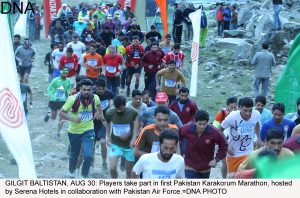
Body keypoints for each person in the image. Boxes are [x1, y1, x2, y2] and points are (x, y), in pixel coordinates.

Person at [59, 79, 105, 178]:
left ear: (92, 90)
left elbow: (99, 107)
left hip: (88, 131)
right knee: (74, 155)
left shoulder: (95, 98)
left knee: (88, 156)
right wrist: (73, 119)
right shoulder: (72, 99)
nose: (86, 92)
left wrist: (99, 115)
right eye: (84, 89)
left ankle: (83, 177)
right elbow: (61, 113)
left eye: (89, 90)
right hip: (74, 132)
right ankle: (71, 172)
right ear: (80, 88)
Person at [179, 110, 228, 178]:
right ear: (195, 122)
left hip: (205, 168)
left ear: (208, 122)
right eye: (200, 124)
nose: (202, 126)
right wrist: (181, 153)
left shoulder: (214, 132)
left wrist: (216, 159)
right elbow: (177, 140)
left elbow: (224, 145)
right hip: (189, 166)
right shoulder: (186, 129)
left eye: (204, 124)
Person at [220, 97, 262, 175]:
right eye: (245, 110)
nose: (248, 113)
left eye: (250, 110)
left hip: (248, 152)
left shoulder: (256, 114)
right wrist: (227, 144)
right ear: (239, 108)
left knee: (248, 178)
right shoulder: (232, 117)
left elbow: (257, 124)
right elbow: (219, 130)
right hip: (234, 153)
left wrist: (259, 138)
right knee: (234, 178)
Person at [105, 95, 140, 178]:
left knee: (128, 171)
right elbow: (107, 123)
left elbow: (138, 125)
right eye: (116, 108)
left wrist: (132, 137)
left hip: (129, 145)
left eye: (120, 108)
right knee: (112, 167)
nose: (118, 111)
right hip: (115, 143)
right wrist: (107, 136)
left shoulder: (133, 112)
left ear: (125, 105)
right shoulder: (110, 112)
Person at [212, 96, 237, 178]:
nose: (233, 109)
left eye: (235, 107)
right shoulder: (221, 114)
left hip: (236, 141)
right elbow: (215, 128)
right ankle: (224, 179)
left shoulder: (239, 114)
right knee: (225, 162)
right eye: (231, 107)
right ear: (227, 107)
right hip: (224, 140)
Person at [93, 78, 114, 169]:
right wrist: (95, 114)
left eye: (102, 89)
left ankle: (104, 162)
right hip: (92, 121)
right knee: (92, 142)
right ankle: (91, 160)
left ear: (105, 88)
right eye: (98, 89)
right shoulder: (92, 94)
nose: (100, 91)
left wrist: (107, 112)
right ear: (96, 87)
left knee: (102, 141)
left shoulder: (109, 93)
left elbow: (111, 104)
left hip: (104, 121)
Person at [45, 69, 71, 139]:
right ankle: (48, 115)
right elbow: (49, 89)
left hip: (63, 102)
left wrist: (68, 95)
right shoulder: (55, 80)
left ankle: (58, 133)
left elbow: (68, 89)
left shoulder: (68, 80)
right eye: (64, 73)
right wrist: (53, 96)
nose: (65, 75)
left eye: (66, 73)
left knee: (62, 118)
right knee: (54, 117)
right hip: (54, 101)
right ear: (61, 73)